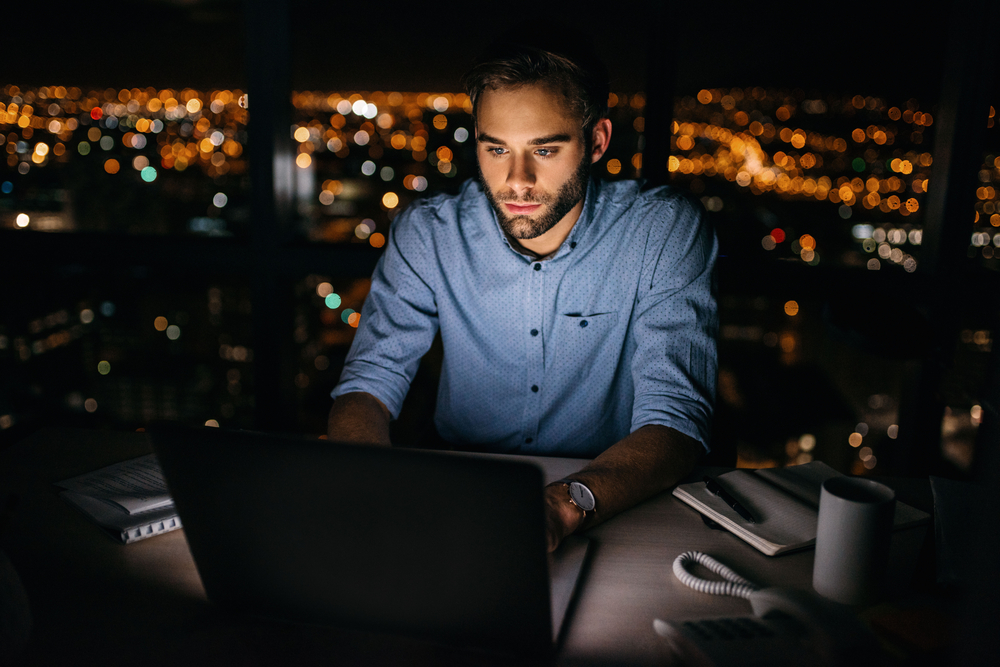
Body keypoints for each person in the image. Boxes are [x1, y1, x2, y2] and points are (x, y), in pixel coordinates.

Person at [328, 37, 718, 552]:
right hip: (459, 495)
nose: (517, 181)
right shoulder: (429, 234)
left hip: (615, 500)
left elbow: (676, 418)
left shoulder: (660, 231)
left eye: (545, 149)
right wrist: (371, 488)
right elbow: (368, 382)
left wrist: (562, 504)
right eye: (496, 149)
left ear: (597, 141)